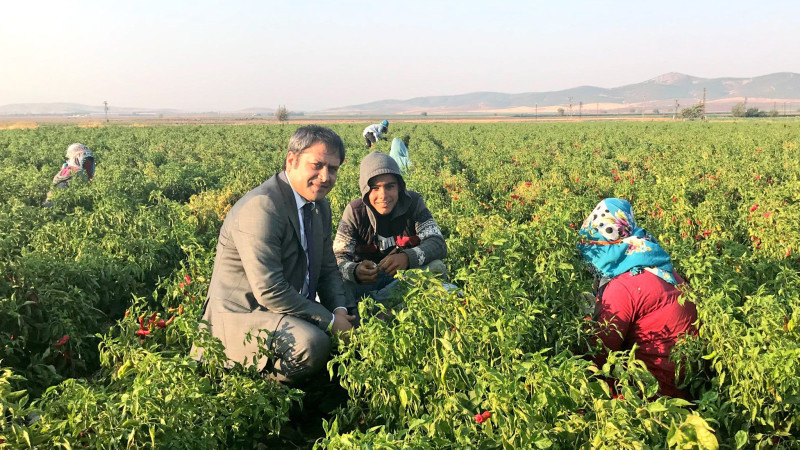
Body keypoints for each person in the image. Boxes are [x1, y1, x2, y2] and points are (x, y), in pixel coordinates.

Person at [195, 125, 356, 385]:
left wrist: (339, 310)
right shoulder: (263, 206)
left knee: (360, 314)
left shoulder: (319, 206)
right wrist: (329, 321)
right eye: (317, 165)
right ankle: (265, 392)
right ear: (291, 160)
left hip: (284, 310)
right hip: (244, 318)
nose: (325, 177)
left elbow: (328, 268)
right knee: (311, 344)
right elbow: (270, 290)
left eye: (333, 168)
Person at [577, 198, 698, 398]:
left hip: (650, 392)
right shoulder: (662, 269)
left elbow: (598, 355)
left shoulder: (623, 286)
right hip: (687, 384)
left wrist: (586, 325)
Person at [333, 151, 447, 308]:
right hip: (367, 283)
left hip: (404, 278)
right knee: (338, 283)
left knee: (437, 267)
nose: (383, 195)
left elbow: (437, 243)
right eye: (375, 188)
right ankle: (396, 307)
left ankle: (373, 309)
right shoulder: (355, 212)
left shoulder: (413, 204)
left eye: (390, 186)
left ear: (399, 187)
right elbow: (338, 257)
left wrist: (408, 258)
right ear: (365, 190)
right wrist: (355, 270)